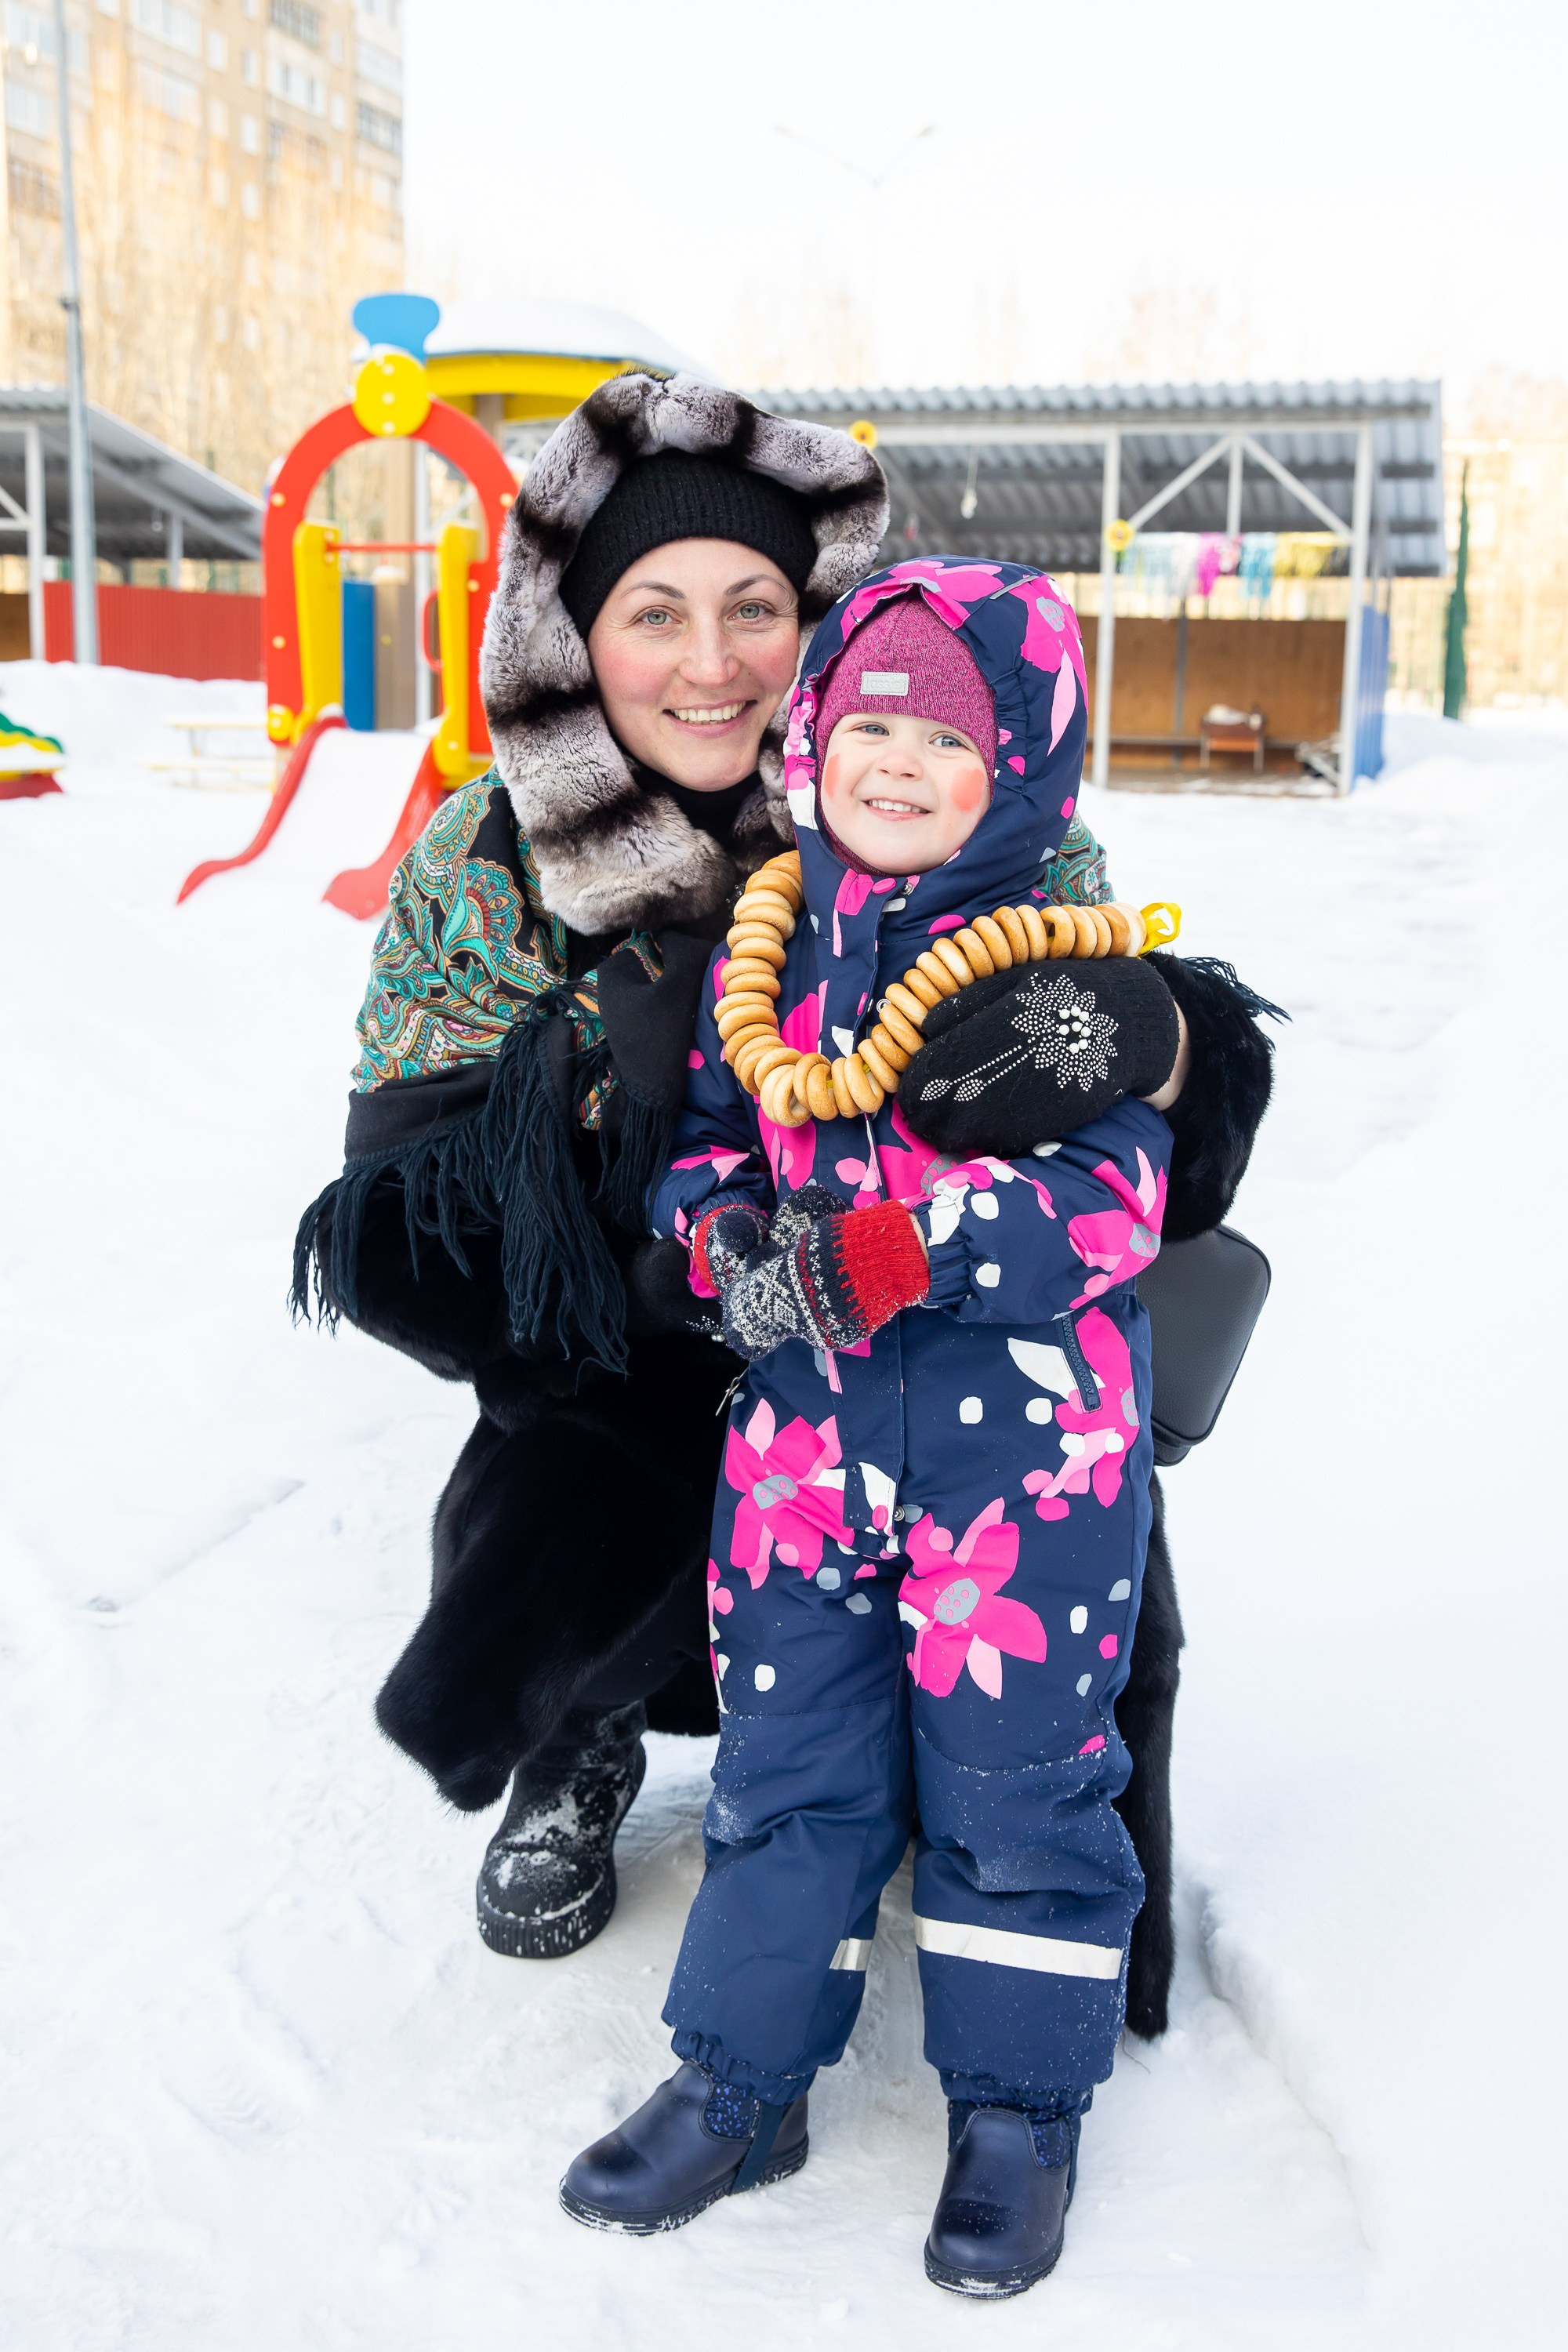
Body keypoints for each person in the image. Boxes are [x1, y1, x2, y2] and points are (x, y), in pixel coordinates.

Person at [292, 372, 1276, 2032]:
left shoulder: (938, 783)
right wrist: (636, 1203)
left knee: (1065, 1537)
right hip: (644, 1338)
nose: (713, 662)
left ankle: (1013, 1847)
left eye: (756, 607)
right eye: (653, 613)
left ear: (821, 624)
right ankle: (580, 1735)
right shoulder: (493, 857)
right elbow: (394, 1233)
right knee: (577, 1511)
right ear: (570, 638)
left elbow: (1173, 1167)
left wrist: (1162, 1038)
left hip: (953, 1324)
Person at [559, 567, 1188, 2296]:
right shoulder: (771, 957)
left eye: (951, 739)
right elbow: (710, 1139)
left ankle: (1017, 2110)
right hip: (800, 1461)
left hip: (1024, 1479)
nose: (898, 763)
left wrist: (914, 1248)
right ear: (817, 735)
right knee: (788, 1767)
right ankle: (741, 2082)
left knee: (1016, 1784)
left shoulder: (1067, 975)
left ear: (1027, 771)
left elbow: (1115, 1201)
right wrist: (718, 1236)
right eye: (874, 724)